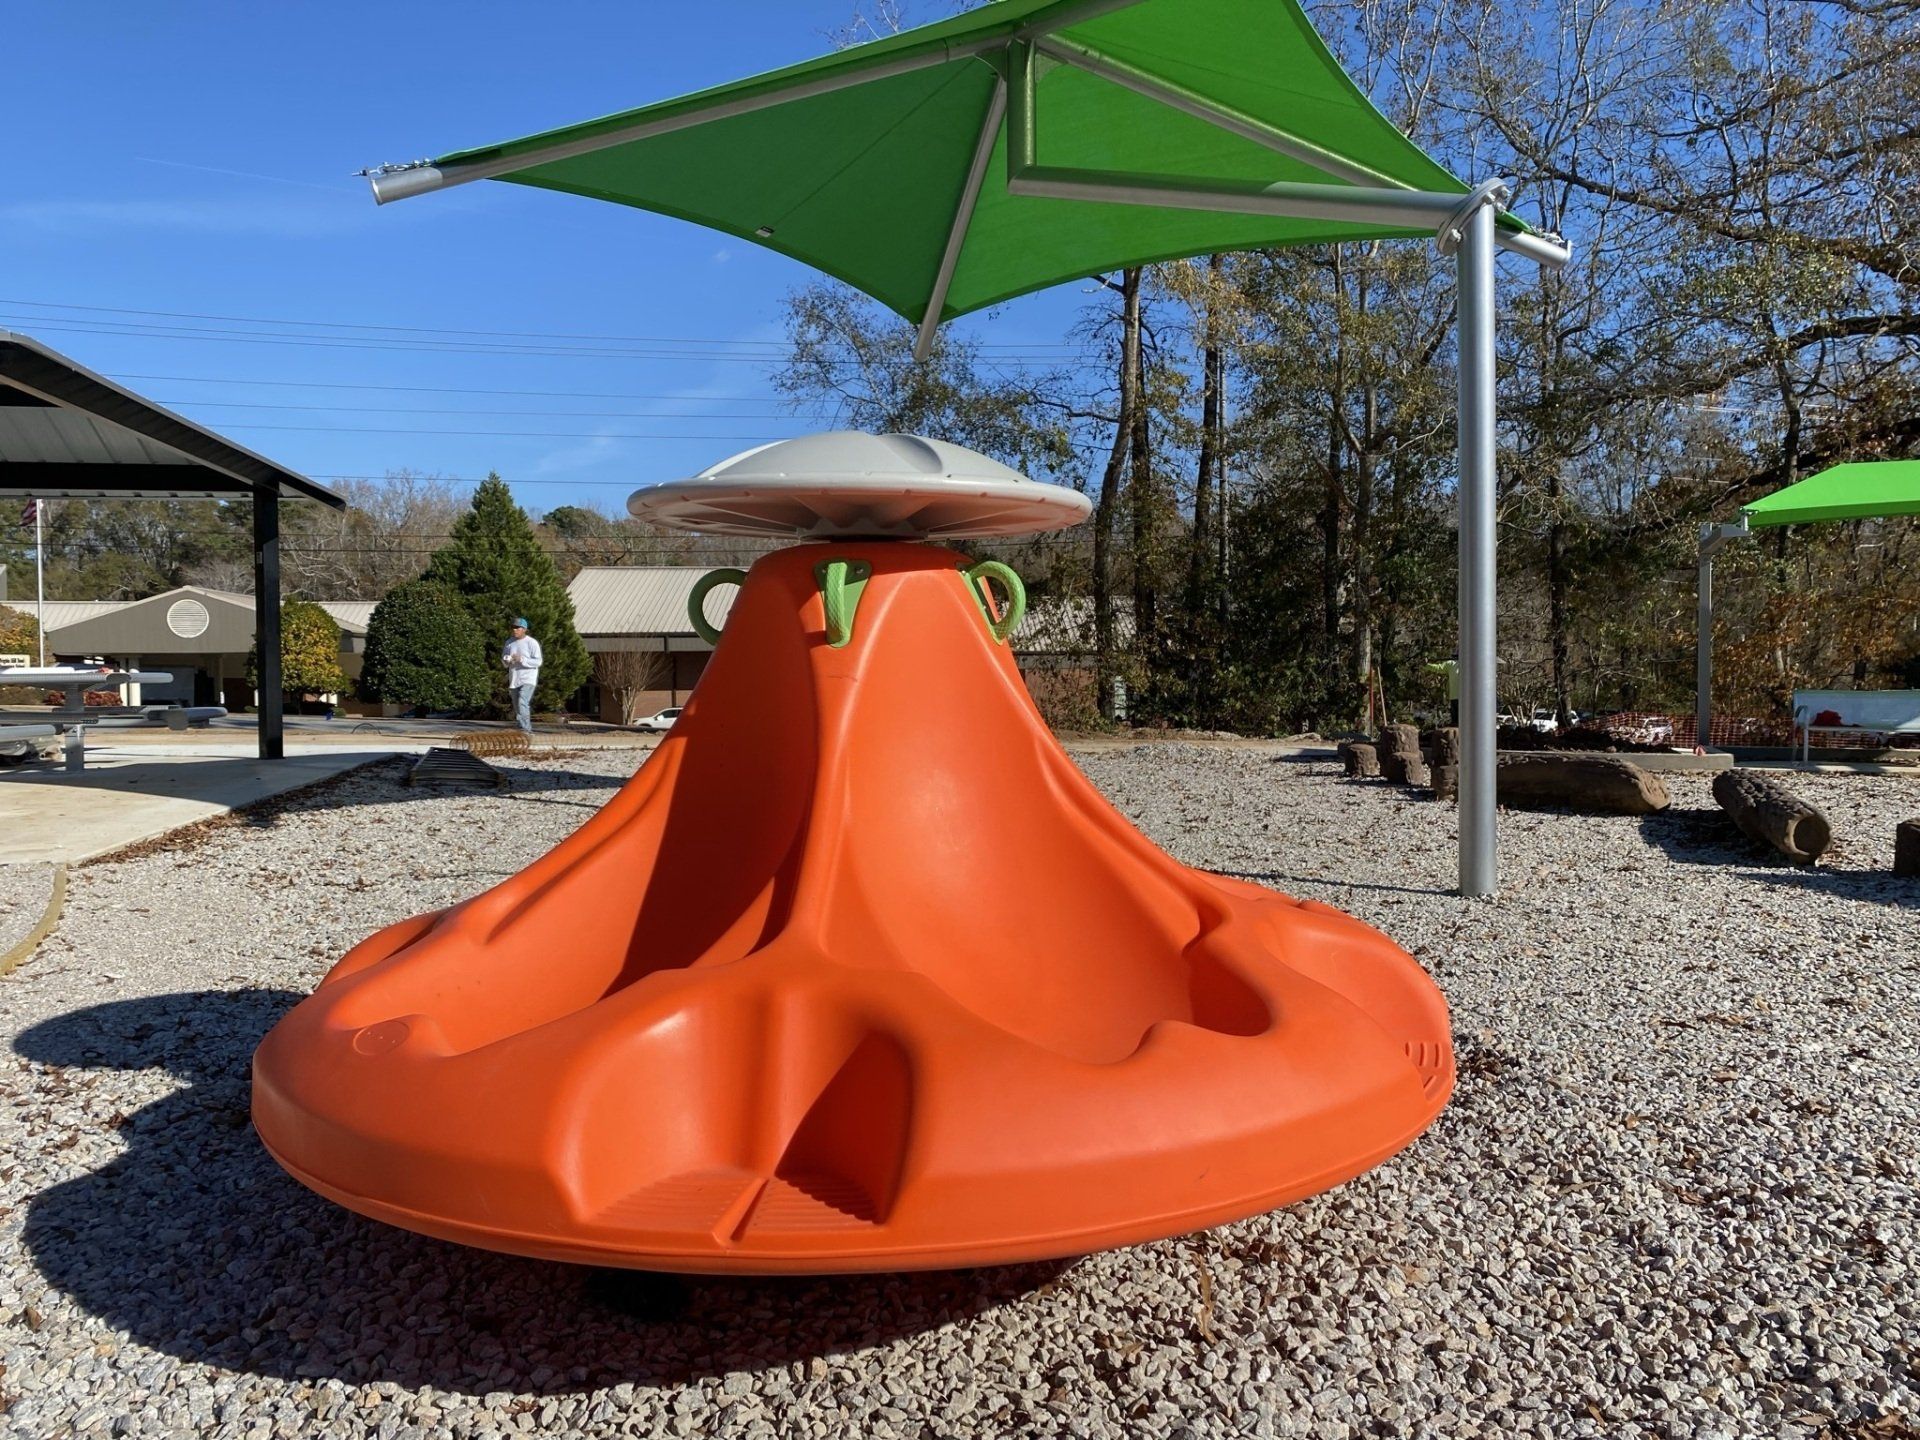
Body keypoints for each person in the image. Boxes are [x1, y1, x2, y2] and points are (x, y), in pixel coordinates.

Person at [502, 617, 543, 734]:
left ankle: (526, 730)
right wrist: (507, 660)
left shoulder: (532, 643)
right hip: (514, 678)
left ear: (524, 629)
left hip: (528, 678)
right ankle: (521, 728)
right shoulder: (509, 643)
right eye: (513, 627)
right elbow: (504, 661)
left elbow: (538, 662)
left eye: (517, 628)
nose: (514, 630)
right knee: (517, 705)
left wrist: (522, 659)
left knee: (522, 701)